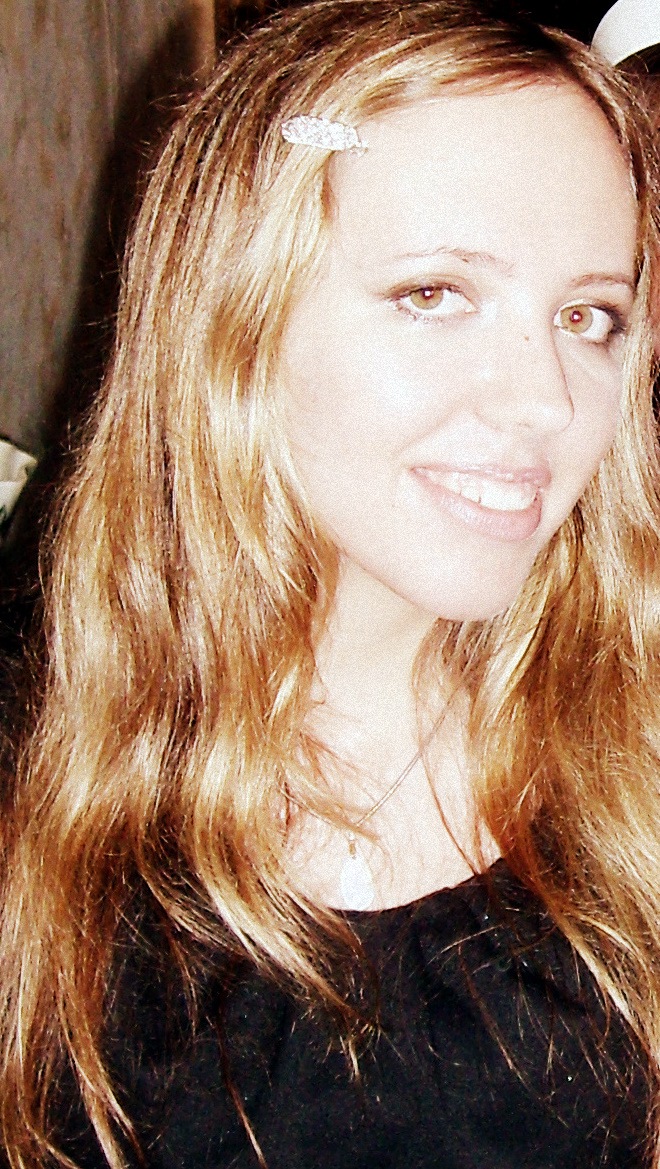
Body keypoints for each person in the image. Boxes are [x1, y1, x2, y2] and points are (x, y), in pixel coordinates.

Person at [1, 1, 659, 1166]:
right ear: (235, 318)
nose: (546, 401)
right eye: (434, 294)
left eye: (588, 316)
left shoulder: (634, 781)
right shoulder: (39, 790)